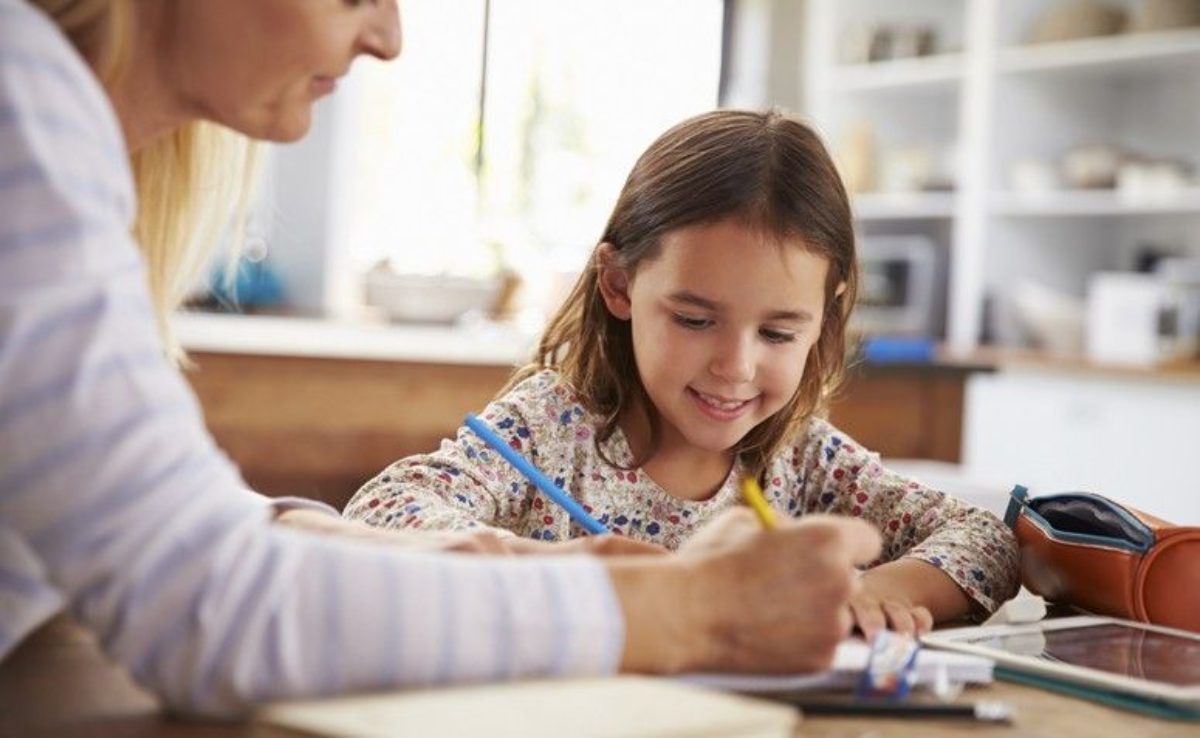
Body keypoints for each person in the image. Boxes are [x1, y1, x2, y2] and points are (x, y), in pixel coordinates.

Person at [0, 0, 883, 719]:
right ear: (619, 285)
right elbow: (206, 612)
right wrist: (697, 611)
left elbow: (134, 519)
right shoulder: (19, 112)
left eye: (777, 329)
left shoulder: (50, 123)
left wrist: (334, 536)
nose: (388, 37)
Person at [345, 109, 1021, 637]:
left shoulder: (805, 459)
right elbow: (381, 513)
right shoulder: (550, 428)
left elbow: (985, 540)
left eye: (780, 332)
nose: (735, 366)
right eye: (695, 320)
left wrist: (877, 591)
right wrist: (570, 573)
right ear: (619, 285)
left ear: (827, 313)